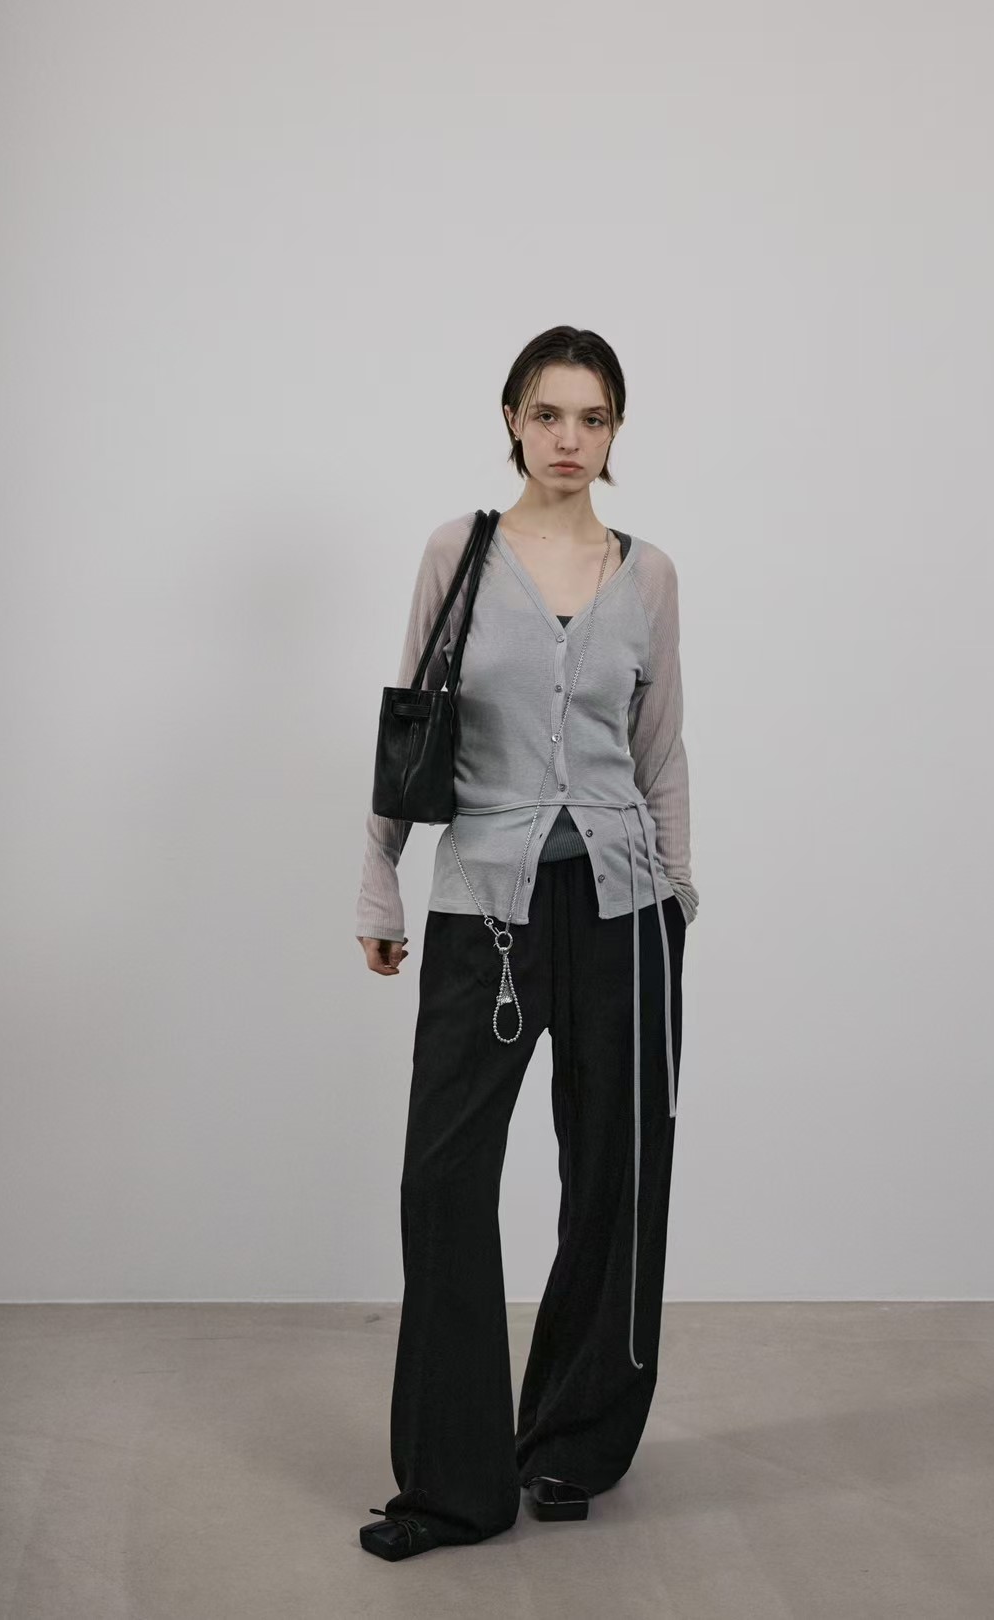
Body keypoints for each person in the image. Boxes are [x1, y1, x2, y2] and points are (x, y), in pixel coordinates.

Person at [354, 325, 698, 1560]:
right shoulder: (458, 554)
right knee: (444, 1182)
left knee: (615, 1177)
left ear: (615, 432)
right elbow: (408, 719)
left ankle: (570, 1443)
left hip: (624, 910)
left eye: (592, 418)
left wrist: (679, 895)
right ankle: (452, 1487)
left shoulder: (647, 574)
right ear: (512, 418)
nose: (569, 439)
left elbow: (660, 747)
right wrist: (380, 884)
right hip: (483, 906)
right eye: (548, 414)